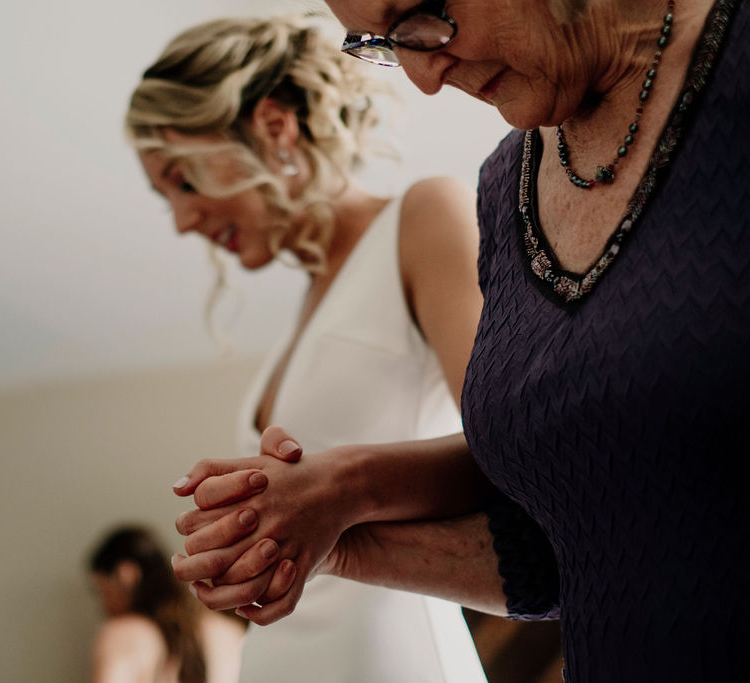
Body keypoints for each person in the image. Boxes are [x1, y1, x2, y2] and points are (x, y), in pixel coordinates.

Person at [169, 1, 750, 681]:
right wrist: (334, 542)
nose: (422, 76)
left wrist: (352, 482)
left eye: (420, 13)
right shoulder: (505, 191)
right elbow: (568, 547)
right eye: (384, 43)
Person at [127, 15, 488, 683]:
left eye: (183, 180)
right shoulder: (305, 312)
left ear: (272, 126)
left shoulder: (425, 216)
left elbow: (515, 452)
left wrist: (343, 485)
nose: (182, 221)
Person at [88, 525, 245, 683]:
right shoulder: (229, 631)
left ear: (126, 575)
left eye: (102, 591)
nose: (102, 606)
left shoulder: (123, 634)